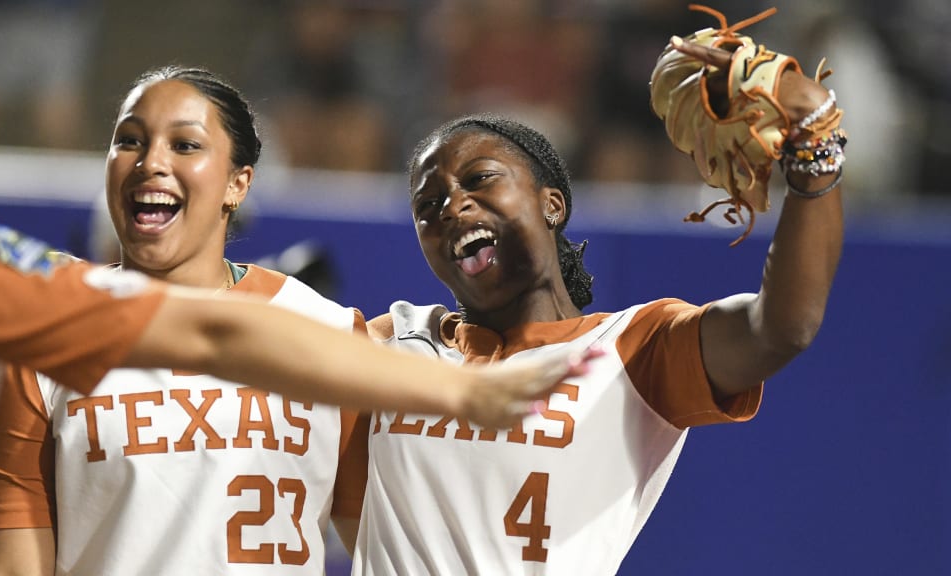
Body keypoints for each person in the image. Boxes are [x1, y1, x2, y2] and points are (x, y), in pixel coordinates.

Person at [0, 67, 597, 576]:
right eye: (129, 139)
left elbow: (385, 541)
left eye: (185, 144)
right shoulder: (42, 341)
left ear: (239, 183)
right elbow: (13, 558)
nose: (151, 161)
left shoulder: (326, 331)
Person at [350, 37, 844, 574]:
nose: (452, 205)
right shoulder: (391, 342)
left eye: (479, 179)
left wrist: (815, 147)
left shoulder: (634, 348)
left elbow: (781, 328)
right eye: (428, 205)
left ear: (552, 204)